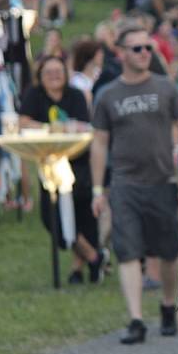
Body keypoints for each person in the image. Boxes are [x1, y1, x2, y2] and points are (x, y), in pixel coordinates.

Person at [91, 24, 178, 344]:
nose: (144, 53)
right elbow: (98, 143)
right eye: (137, 48)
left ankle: (167, 305)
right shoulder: (107, 94)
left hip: (163, 181)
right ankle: (136, 320)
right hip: (125, 183)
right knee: (127, 252)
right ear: (121, 53)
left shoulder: (166, 87)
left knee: (167, 252)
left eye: (148, 48)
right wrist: (99, 189)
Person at [20, 56, 107, 284]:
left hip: (79, 162)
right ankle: (94, 256)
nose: (54, 76)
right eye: (48, 72)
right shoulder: (34, 95)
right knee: (52, 217)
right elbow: (23, 122)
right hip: (50, 165)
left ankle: (77, 269)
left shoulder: (76, 95)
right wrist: (52, 128)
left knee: (82, 215)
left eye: (58, 71)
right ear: (40, 76)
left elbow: (84, 126)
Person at [69, 39, 104, 111]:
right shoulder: (76, 81)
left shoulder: (99, 72)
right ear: (90, 56)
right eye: (99, 53)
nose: (102, 55)